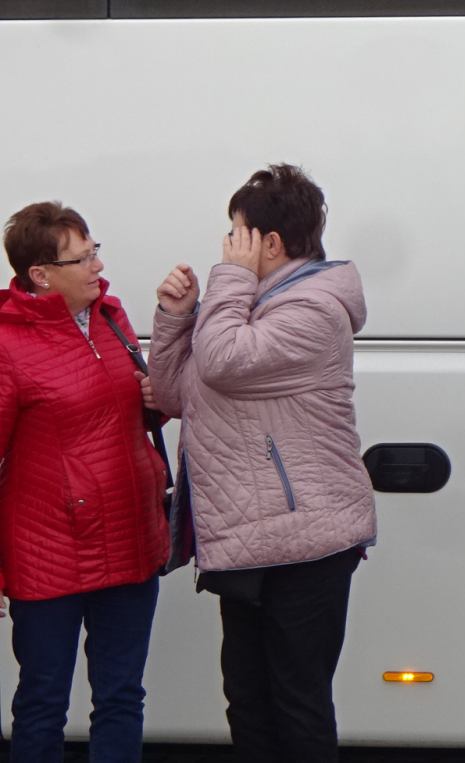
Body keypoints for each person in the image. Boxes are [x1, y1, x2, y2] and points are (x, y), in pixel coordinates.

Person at [148, 164, 377, 762]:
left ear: (270, 243)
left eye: (237, 233)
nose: (228, 245)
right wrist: (176, 317)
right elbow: (173, 396)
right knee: (248, 701)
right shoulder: (250, 304)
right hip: (249, 537)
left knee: (297, 705)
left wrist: (228, 280)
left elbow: (222, 362)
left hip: (306, 544)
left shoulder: (315, 310)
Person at [0, 201, 168, 762]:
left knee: (121, 697)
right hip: (48, 549)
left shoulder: (111, 317)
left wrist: (157, 399)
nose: (98, 266)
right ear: (41, 274)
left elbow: (134, 414)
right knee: (43, 702)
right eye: (82, 258)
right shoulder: (6, 342)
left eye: (96, 251)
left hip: (130, 535)